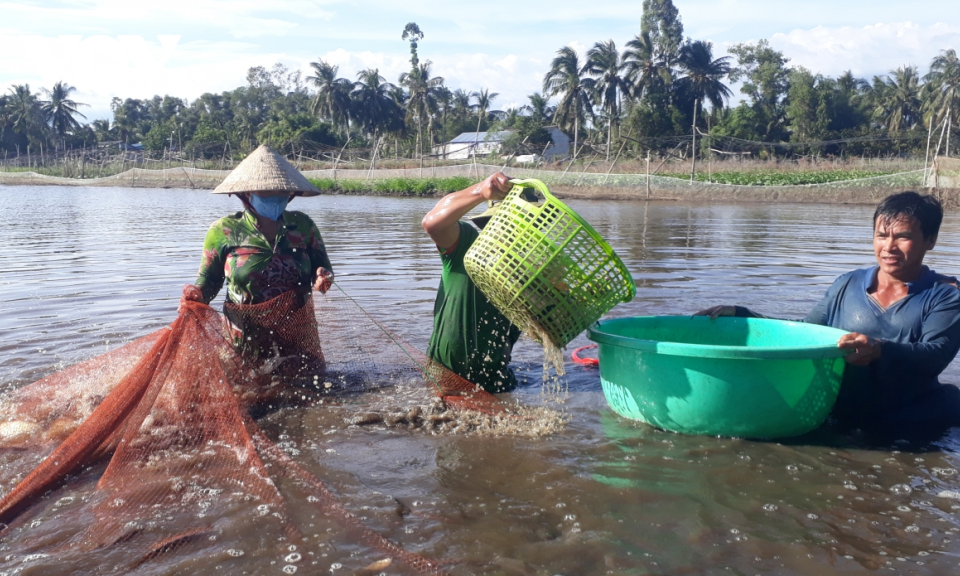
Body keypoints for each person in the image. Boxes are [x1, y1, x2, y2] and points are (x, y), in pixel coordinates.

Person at [699, 191, 960, 439]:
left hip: (908, 417)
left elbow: (935, 355)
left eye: (903, 237)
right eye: (881, 235)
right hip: (841, 411)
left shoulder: (945, 296)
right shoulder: (847, 284)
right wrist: (743, 315)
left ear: (931, 240)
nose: (888, 246)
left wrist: (879, 350)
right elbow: (805, 332)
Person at [184, 145, 334, 369]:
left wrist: (323, 277)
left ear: (290, 195)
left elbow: (322, 269)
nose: (275, 198)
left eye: (281, 192)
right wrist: (196, 295)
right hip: (244, 332)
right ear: (247, 194)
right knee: (248, 388)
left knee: (304, 383)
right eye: (266, 192)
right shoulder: (223, 230)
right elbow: (209, 280)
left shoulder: (303, 226)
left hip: (296, 328)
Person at [421, 172, 528, 393]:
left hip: (498, 382)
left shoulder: (531, 272)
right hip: (446, 376)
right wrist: (479, 190)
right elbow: (432, 224)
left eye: (518, 229)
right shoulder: (466, 246)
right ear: (489, 225)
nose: (507, 235)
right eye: (501, 226)